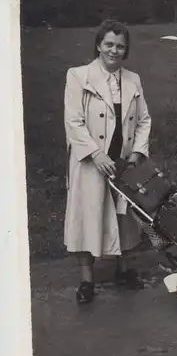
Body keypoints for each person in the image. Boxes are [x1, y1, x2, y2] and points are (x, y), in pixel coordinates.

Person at [64, 19, 151, 304]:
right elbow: (74, 121)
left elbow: (144, 120)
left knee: (124, 216)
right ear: (99, 45)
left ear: (126, 50)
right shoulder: (79, 76)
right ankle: (87, 280)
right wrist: (95, 154)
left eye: (120, 46)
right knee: (88, 214)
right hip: (91, 161)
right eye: (109, 44)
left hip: (122, 160)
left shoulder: (132, 80)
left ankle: (123, 270)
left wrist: (137, 153)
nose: (114, 51)